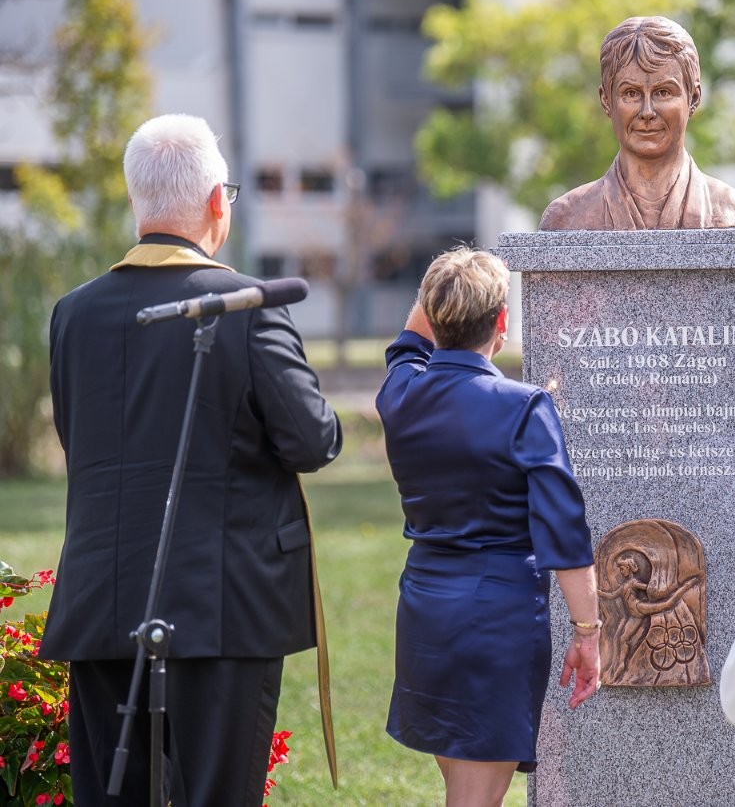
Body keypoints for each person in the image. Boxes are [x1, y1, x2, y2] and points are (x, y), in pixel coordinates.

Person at [42, 114, 343, 805]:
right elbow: (312, 440)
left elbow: (78, 438)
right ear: (216, 201)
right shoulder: (247, 307)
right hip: (223, 604)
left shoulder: (73, 314)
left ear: (135, 200)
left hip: (102, 598)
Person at [377, 247, 601, 807]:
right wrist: (588, 632)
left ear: (433, 314)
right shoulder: (524, 407)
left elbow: (408, 340)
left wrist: (442, 288)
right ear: (502, 320)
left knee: (463, 788)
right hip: (497, 623)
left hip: (425, 613)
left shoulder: (399, 393)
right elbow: (565, 533)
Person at [540, 15, 735, 230]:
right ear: (606, 100)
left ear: (694, 98)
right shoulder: (565, 218)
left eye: (663, 92)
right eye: (631, 93)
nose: (647, 112)